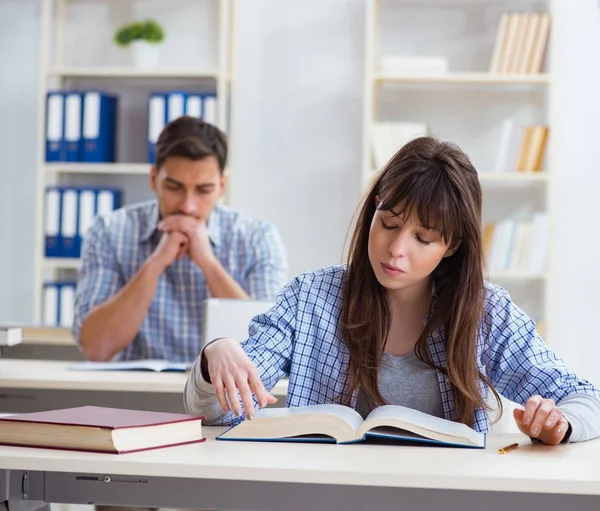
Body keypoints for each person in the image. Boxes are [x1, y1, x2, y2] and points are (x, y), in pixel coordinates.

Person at [184, 136, 600, 445]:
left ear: (451, 246)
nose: (396, 250)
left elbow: (586, 398)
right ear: (374, 210)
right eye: (389, 223)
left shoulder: (485, 312)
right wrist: (214, 355)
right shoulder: (309, 298)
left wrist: (558, 424)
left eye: (423, 239)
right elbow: (217, 413)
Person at [73, 115, 288, 363]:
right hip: (135, 394)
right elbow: (96, 349)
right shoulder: (109, 231)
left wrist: (209, 264)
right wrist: (155, 264)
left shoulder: (258, 237)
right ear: (154, 179)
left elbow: (269, 347)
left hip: (224, 398)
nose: (187, 206)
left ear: (221, 185)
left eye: (203, 190)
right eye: (174, 188)